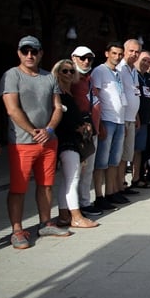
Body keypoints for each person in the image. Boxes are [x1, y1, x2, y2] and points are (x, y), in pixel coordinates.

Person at [0, 36, 68, 249]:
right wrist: (32, 131)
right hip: (22, 142)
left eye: (34, 51)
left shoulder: (49, 77)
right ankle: (17, 230)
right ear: (19, 53)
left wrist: (49, 129)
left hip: (48, 141)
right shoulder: (12, 75)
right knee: (18, 188)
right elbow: (12, 109)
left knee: (46, 184)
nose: (29, 55)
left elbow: (57, 107)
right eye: (25, 51)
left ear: (40, 54)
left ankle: (46, 223)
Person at [51, 60, 99, 229]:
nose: (69, 74)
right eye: (65, 71)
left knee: (67, 179)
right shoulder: (57, 94)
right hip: (66, 141)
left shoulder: (69, 93)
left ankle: (64, 215)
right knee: (72, 179)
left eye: (72, 71)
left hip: (75, 141)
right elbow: (60, 120)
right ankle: (76, 217)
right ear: (57, 72)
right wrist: (79, 127)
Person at [91, 42, 126, 211]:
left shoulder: (117, 72)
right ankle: (99, 196)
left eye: (120, 54)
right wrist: (98, 122)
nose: (117, 57)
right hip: (107, 119)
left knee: (114, 160)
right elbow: (95, 96)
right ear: (107, 53)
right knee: (101, 161)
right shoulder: (99, 71)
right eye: (114, 53)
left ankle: (110, 192)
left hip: (119, 120)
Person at [69, 46, 102, 217]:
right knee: (75, 172)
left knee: (88, 169)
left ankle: (84, 202)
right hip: (78, 131)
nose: (86, 61)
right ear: (74, 58)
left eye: (89, 58)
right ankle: (73, 207)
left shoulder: (89, 78)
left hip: (92, 130)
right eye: (82, 58)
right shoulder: (70, 78)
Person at [130, 51, 150, 189]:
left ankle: (137, 178)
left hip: (145, 121)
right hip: (133, 119)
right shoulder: (132, 74)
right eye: (144, 60)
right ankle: (121, 183)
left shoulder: (148, 78)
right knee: (127, 151)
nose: (146, 63)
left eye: (148, 61)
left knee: (139, 150)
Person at [117, 38, 141, 199]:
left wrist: (136, 114)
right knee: (120, 157)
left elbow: (134, 93)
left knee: (127, 155)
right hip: (122, 119)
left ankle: (122, 185)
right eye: (131, 51)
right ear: (124, 51)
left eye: (137, 51)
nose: (134, 54)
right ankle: (118, 187)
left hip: (132, 118)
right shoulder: (120, 68)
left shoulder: (134, 70)